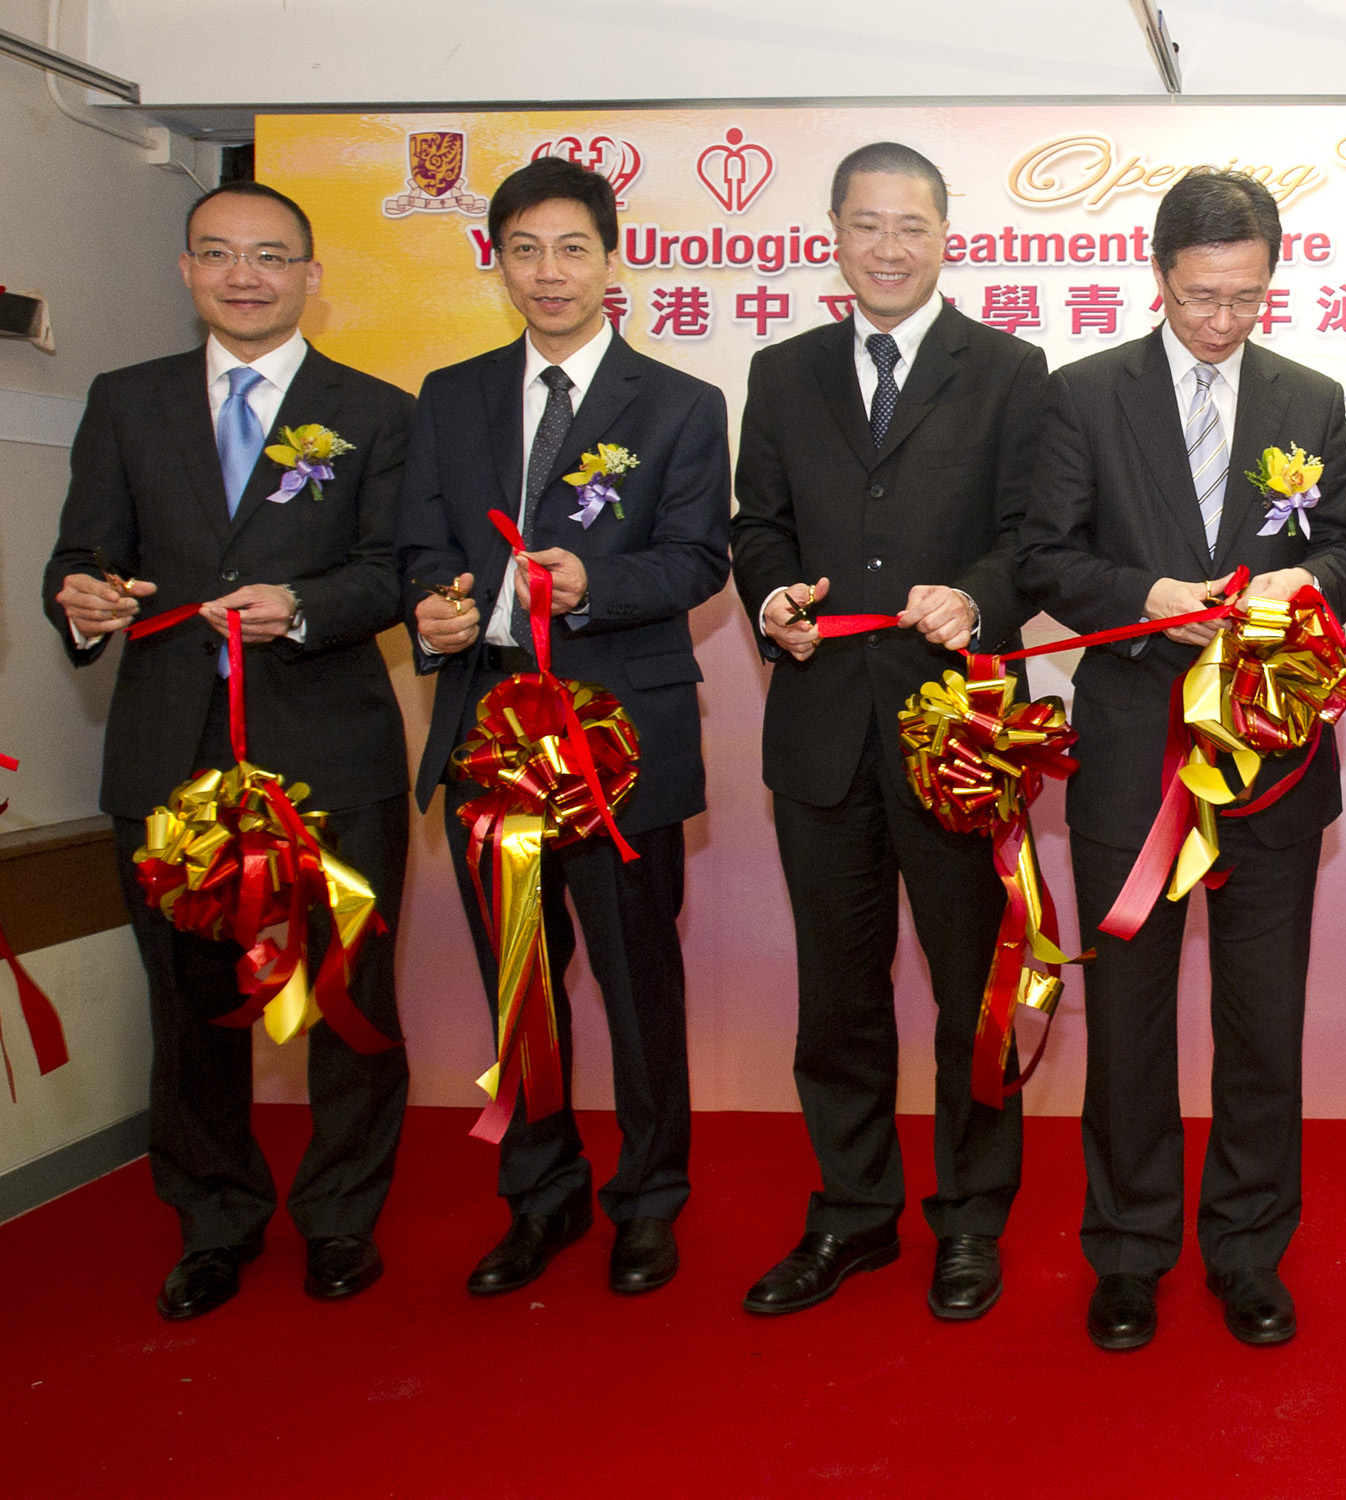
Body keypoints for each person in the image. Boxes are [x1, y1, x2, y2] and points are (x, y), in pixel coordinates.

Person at [44, 181, 415, 1319]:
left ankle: (342, 1218)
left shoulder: (377, 409)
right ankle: (214, 1218)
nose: (243, 275)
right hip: (168, 748)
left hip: (328, 743)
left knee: (349, 998)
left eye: (269, 256)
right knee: (188, 1004)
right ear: (187, 270)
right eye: (219, 254)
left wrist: (301, 607)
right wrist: (83, 600)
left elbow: (397, 568)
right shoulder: (125, 401)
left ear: (312, 276)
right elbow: (83, 551)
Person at [1016, 168, 1346, 1351]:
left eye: (1248, 296)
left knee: (1264, 1022)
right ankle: (1128, 1250)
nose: (1223, 320)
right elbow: (1044, 559)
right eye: (1203, 293)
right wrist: (1148, 596)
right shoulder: (1083, 397)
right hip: (1132, 749)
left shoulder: (1310, 399)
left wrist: (1306, 583)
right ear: (1159, 273)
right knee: (1129, 1015)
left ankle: (1250, 1250)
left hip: (1268, 748)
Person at [397, 157, 731, 1299]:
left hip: (618, 742)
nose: (550, 272)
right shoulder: (449, 396)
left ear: (612, 259)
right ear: (498, 261)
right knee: (521, 988)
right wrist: (434, 606)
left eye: (572, 248)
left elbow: (697, 559)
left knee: (641, 989)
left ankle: (649, 1201)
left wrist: (593, 581)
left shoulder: (683, 404)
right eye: (527, 250)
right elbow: (417, 545)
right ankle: (540, 1198)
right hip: (492, 733)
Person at [729, 142, 1051, 1320]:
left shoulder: (1013, 371)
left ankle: (971, 1218)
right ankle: (852, 1214)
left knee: (974, 987)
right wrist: (769, 601)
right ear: (832, 232)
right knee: (839, 994)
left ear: (945, 234)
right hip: (819, 732)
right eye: (867, 225)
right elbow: (754, 524)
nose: (889, 248)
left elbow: (1033, 533)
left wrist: (979, 597)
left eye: (911, 226)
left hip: (952, 733)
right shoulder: (783, 370)